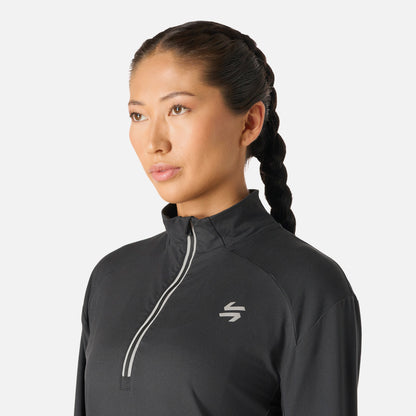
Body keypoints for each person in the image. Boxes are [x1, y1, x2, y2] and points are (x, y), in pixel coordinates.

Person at [74, 20, 362, 416]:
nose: (154, 142)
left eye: (178, 109)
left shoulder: (307, 286)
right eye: (138, 115)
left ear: (249, 123)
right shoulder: (111, 276)